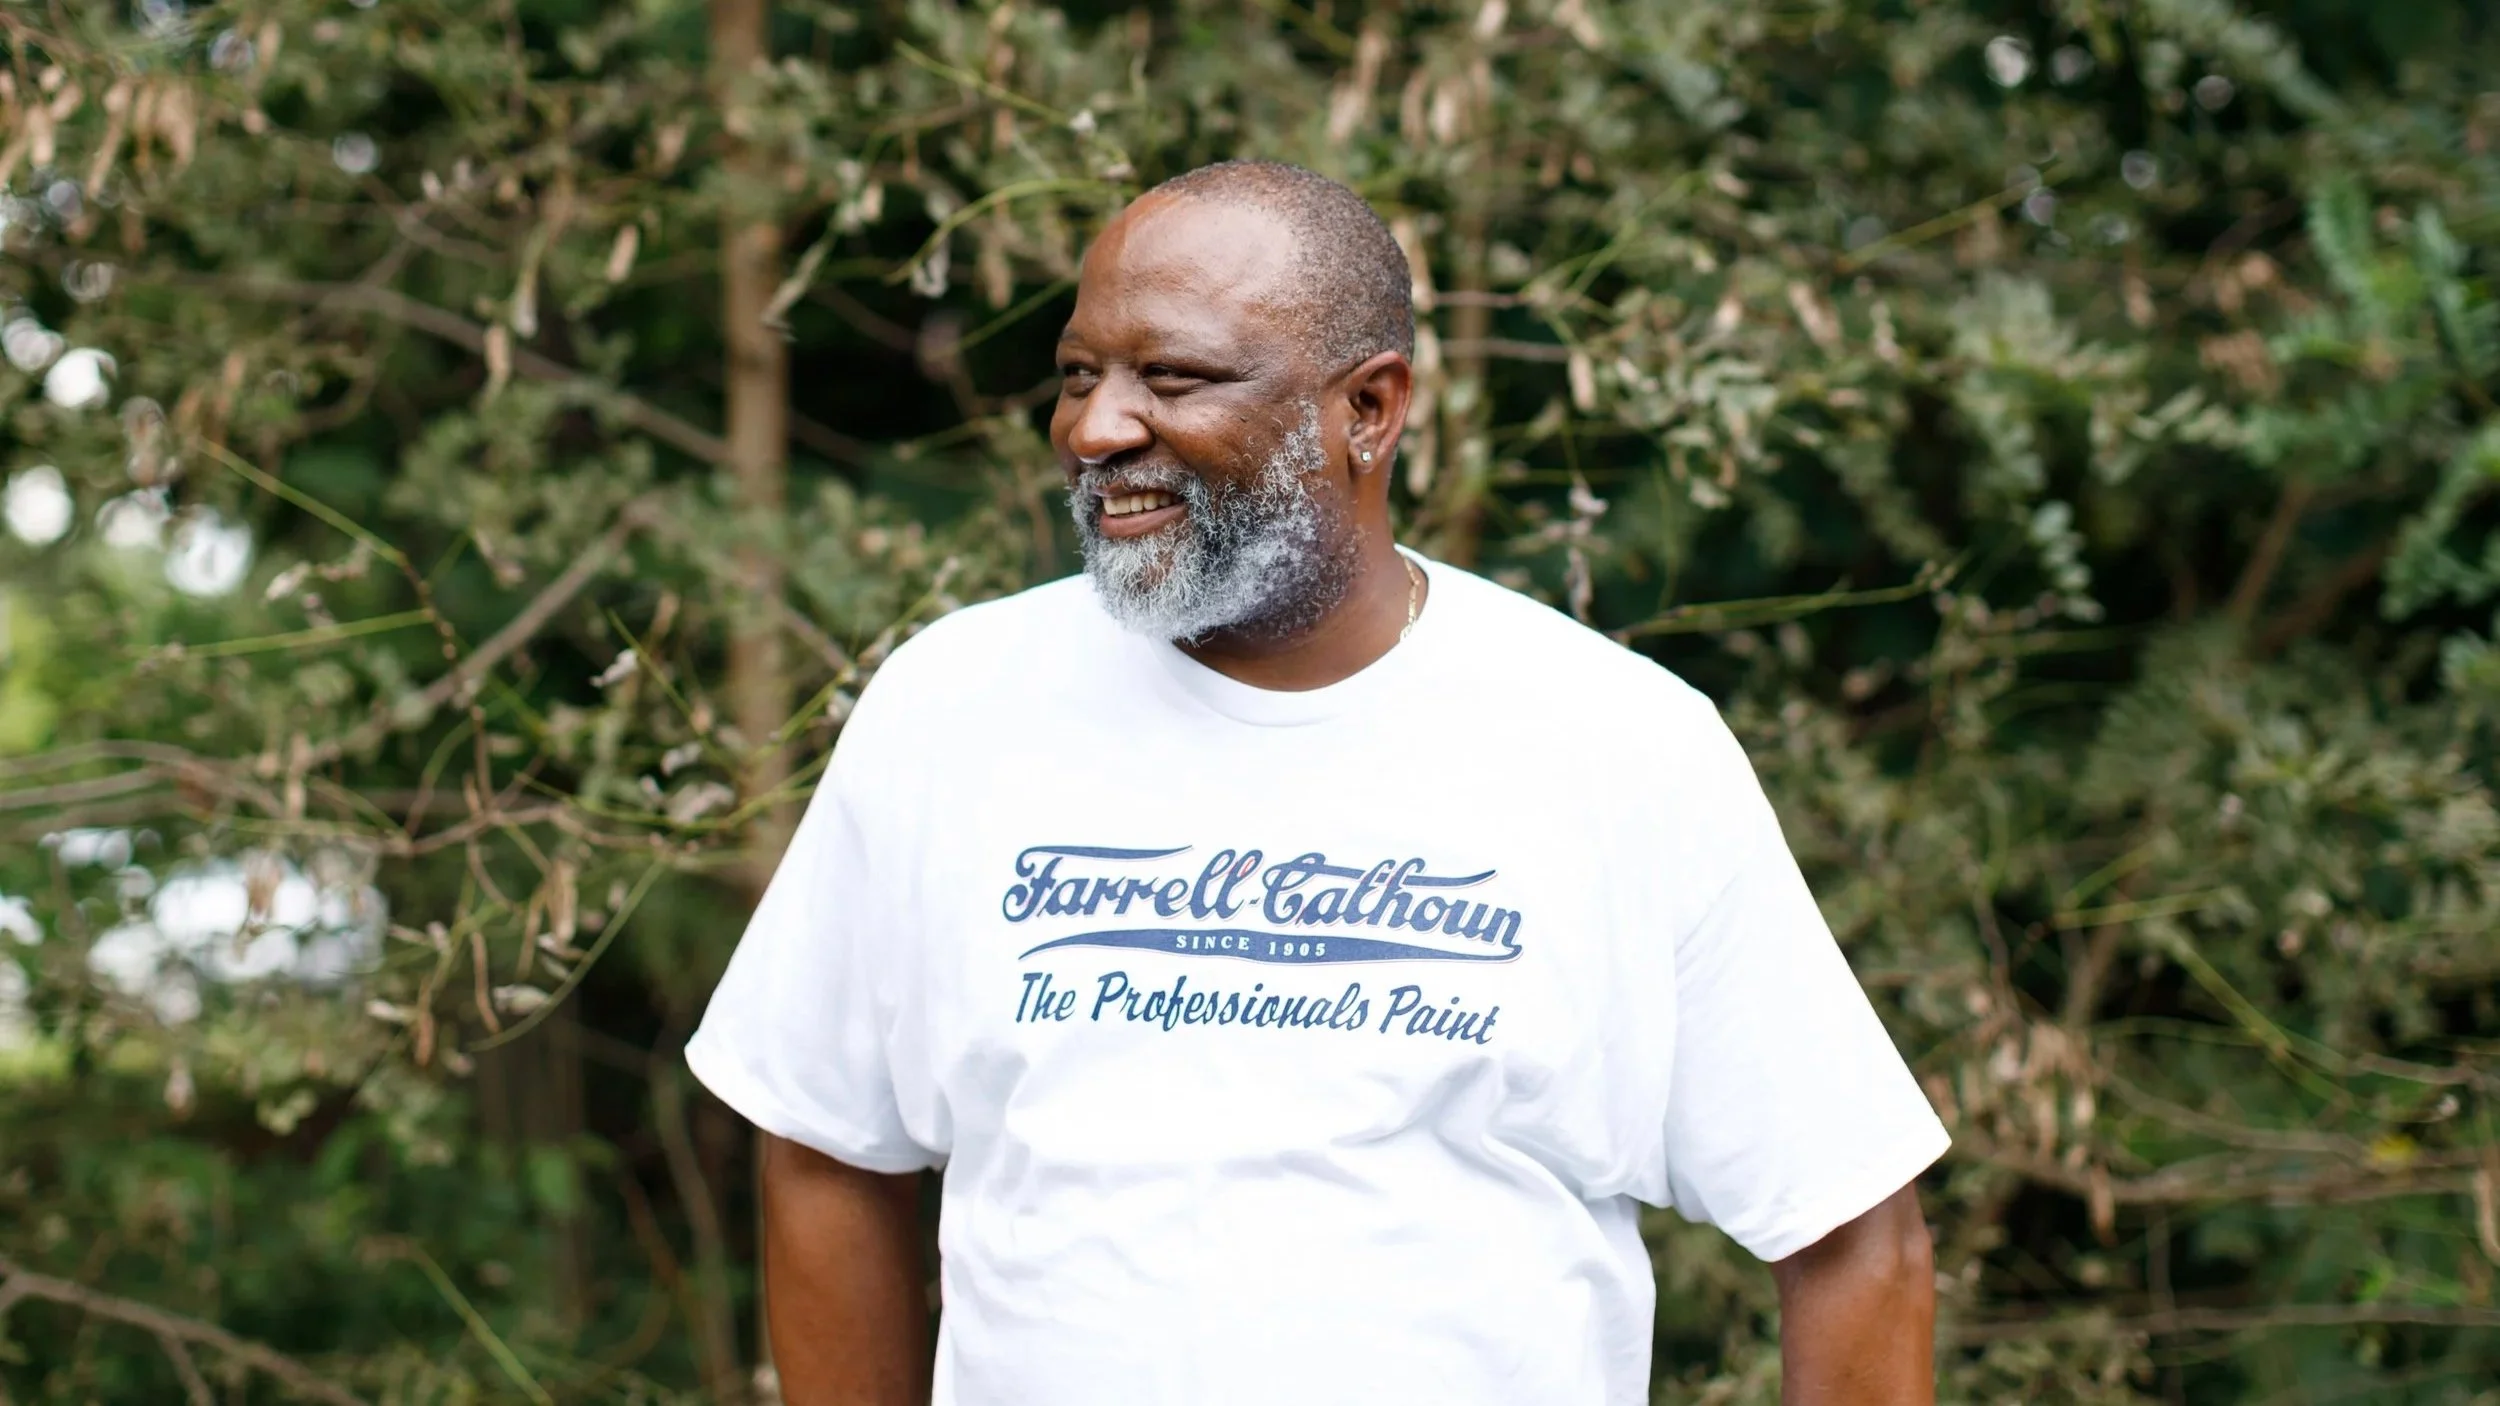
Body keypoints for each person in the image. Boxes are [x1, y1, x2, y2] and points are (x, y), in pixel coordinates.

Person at [689, 160, 1949, 1406]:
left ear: (1369, 408)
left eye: (1171, 376)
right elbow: (824, 1143)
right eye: (1080, 374)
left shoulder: (1618, 744)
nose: (1094, 428)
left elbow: (1852, 1234)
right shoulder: (951, 708)